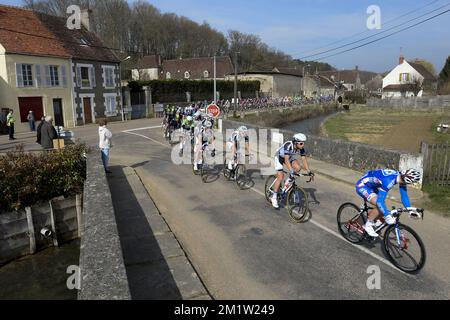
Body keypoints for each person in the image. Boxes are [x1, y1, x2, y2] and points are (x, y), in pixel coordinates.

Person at [356, 168, 422, 237]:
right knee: (379, 205)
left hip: (373, 186)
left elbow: (404, 196)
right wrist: (387, 216)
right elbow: (379, 202)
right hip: (362, 186)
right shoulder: (389, 181)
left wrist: (410, 210)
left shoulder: (401, 177)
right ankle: (368, 225)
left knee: (383, 208)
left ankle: (373, 217)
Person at [271, 133, 313, 209]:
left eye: (303, 143)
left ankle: (287, 184)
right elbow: (286, 160)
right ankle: (274, 197)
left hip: (289, 157)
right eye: (301, 143)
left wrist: (309, 171)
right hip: (279, 157)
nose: (302, 145)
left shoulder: (301, 148)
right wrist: (290, 170)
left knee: (298, 168)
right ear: (296, 142)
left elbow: (303, 159)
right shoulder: (288, 145)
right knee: (280, 177)